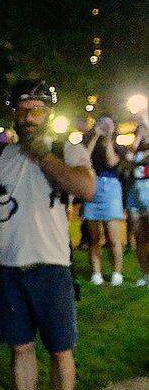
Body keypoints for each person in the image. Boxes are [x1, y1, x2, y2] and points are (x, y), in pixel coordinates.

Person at [0, 79, 96, 390]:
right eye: (22, 111)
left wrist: (44, 157)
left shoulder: (66, 150)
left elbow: (86, 190)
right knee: (20, 348)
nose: (28, 118)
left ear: (48, 113)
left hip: (52, 265)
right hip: (8, 267)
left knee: (60, 350)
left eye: (36, 110)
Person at [80, 115, 126, 285]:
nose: (104, 126)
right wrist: (96, 136)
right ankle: (96, 273)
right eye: (101, 123)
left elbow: (111, 161)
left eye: (108, 124)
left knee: (113, 235)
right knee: (93, 236)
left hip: (110, 187)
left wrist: (108, 139)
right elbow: (84, 159)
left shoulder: (119, 147)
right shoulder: (89, 141)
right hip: (92, 184)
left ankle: (117, 273)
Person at [126, 121, 149, 286]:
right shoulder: (133, 150)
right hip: (135, 194)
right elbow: (126, 161)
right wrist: (137, 140)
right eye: (139, 130)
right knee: (139, 237)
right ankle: (144, 274)